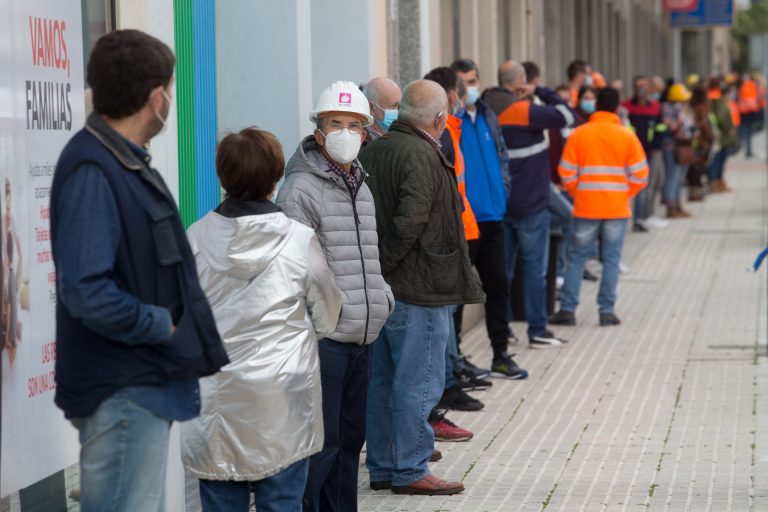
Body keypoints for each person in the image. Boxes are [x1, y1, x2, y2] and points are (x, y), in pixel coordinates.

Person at [50, 30, 230, 512]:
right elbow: (86, 290)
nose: (169, 100)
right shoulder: (95, 169)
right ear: (156, 98)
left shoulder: (121, 161)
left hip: (140, 383)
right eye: (169, 90)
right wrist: (159, 324)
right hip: (124, 389)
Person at [182, 129, 342, 512]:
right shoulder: (299, 240)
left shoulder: (195, 237)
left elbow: (181, 315)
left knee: (220, 500)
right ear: (275, 177)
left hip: (216, 399)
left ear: (222, 176)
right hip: (284, 401)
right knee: (283, 501)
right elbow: (328, 312)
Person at [360, 79, 484, 495]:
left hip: (386, 289)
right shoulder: (422, 153)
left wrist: (379, 270)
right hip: (419, 287)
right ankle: (411, 468)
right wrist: (388, 264)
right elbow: (410, 221)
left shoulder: (375, 147)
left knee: (383, 381)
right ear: (439, 118)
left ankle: (383, 464)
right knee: (419, 381)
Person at [275, 81, 393, 512]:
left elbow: (367, 254)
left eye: (353, 124)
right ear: (319, 132)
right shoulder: (299, 190)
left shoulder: (361, 184)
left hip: (362, 334)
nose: (345, 132)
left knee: (349, 441)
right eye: (335, 124)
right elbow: (297, 272)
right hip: (324, 339)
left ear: (366, 132)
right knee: (320, 446)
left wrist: (381, 298)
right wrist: (328, 318)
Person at [483, 60, 572, 350]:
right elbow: (565, 115)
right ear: (521, 80)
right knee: (535, 270)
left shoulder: (485, 109)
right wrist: (541, 90)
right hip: (531, 204)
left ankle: (503, 329)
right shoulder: (524, 111)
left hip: (499, 205)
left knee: (502, 273)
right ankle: (537, 330)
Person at [449, 58, 526, 378]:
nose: (472, 87)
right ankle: (455, 361)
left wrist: (503, 191)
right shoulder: (450, 121)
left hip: (493, 217)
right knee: (458, 296)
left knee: (498, 286)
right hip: (465, 222)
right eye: (465, 82)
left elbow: (502, 156)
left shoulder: (487, 115)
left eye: (475, 80)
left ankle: (501, 354)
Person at [551, 87, 648, 326]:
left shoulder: (580, 134)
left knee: (575, 258)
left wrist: (578, 192)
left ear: (596, 106)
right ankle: (606, 311)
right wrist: (624, 193)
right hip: (617, 208)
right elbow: (640, 174)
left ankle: (567, 309)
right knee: (612, 260)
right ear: (616, 107)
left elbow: (566, 171)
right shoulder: (626, 135)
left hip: (586, 206)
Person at [423, 66, 488, 413]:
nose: (463, 99)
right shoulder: (442, 133)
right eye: (460, 93)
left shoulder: (451, 129)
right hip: (450, 236)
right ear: (450, 96)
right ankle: (446, 386)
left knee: (448, 315)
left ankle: (452, 374)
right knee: (443, 318)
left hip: (459, 230)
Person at [622, 75, 662, 233]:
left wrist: (657, 145)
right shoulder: (626, 107)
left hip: (648, 152)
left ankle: (639, 218)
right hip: (629, 154)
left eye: (644, 85)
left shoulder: (655, 107)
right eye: (638, 86)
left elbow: (660, 128)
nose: (641, 89)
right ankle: (628, 217)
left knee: (644, 187)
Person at [661, 83, 694, 218]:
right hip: (672, 147)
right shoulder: (668, 108)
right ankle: (671, 207)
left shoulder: (683, 109)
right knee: (673, 177)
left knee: (680, 177)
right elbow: (672, 126)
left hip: (683, 146)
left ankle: (678, 205)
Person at [707, 78, 738, 193]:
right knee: (718, 160)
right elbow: (720, 117)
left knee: (719, 160)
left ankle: (717, 182)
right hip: (722, 135)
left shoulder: (717, 100)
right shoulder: (718, 100)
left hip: (722, 135)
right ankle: (715, 182)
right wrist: (728, 128)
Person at [686, 87, 715, 202]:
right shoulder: (702, 107)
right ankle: (694, 193)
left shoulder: (692, 106)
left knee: (694, 168)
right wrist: (710, 136)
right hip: (702, 142)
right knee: (698, 168)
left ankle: (694, 192)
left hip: (696, 141)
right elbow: (703, 124)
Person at [362, 77, 402, 143]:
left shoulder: (404, 138)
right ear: (371, 107)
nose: (399, 111)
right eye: (393, 106)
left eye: (400, 106)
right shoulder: (357, 142)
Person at [738, 73, 760, 157]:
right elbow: (756, 97)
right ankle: (748, 150)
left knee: (744, 130)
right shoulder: (752, 85)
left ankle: (744, 148)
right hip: (751, 111)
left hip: (743, 111)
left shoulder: (742, 85)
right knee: (750, 131)